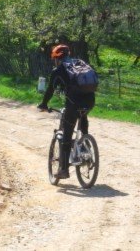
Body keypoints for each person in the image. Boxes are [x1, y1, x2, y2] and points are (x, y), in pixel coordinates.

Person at [37, 44, 96, 179]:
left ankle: (63, 170)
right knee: (83, 118)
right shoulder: (80, 64)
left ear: (57, 58)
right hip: (90, 101)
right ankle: (86, 146)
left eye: (54, 59)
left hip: (73, 103)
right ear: (68, 54)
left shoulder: (58, 70)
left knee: (66, 136)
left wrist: (44, 104)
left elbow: (50, 90)